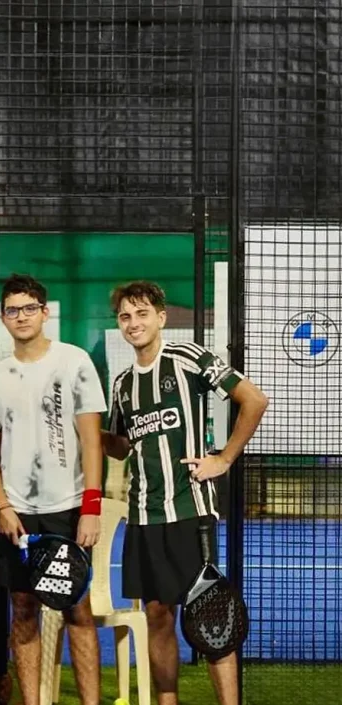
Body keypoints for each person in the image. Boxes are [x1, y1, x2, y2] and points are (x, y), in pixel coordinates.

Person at [100, 280, 269, 705]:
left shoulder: (190, 359)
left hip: (190, 512)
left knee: (211, 614)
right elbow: (121, 446)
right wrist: (87, 429)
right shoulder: (121, 384)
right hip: (143, 517)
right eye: (125, 316)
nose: (133, 323)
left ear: (161, 317)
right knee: (157, 616)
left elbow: (254, 400)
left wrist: (224, 459)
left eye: (141, 314)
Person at [0, 273, 107, 705]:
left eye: (30, 308)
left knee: (77, 610)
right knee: (24, 609)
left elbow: (92, 441)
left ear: (45, 313)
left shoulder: (74, 362)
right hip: (17, 515)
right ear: (3, 317)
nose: (21, 316)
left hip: (68, 509)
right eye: (13, 310)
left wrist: (91, 506)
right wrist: (4, 506)